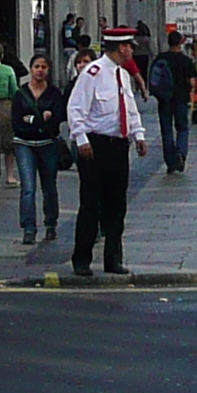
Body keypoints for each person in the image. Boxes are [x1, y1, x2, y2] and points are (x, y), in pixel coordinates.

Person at [64, 31, 149, 278]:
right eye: (129, 47)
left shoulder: (122, 74)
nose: (132, 52)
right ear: (120, 47)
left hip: (118, 145)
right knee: (91, 204)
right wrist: (80, 138)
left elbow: (129, 108)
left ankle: (113, 258)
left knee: (116, 204)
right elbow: (76, 107)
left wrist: (139, 135)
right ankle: (82, 259)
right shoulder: (92, 74)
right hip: (95, 144)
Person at [10, 53, 68, 243]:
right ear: (31, 69)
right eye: (37, 67)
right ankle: (28, 228)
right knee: (28, 188)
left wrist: (34, 120)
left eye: (44, 67)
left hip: (47, 144)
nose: (40, 71)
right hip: (24, 144)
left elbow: (57, 120)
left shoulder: (54, 94)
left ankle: (51, 224)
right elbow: (17, 122)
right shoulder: (21, 94)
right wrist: (40, 120)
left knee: (49, 186)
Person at [145, 29, 197, 174]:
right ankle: (180, 153)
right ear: (181, 43)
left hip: (164, 99)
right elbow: (192, 82)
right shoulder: (186, 60)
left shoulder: (160, 58)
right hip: (181, 98)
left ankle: (170, 161)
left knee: (166, 130)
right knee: (182, 128)